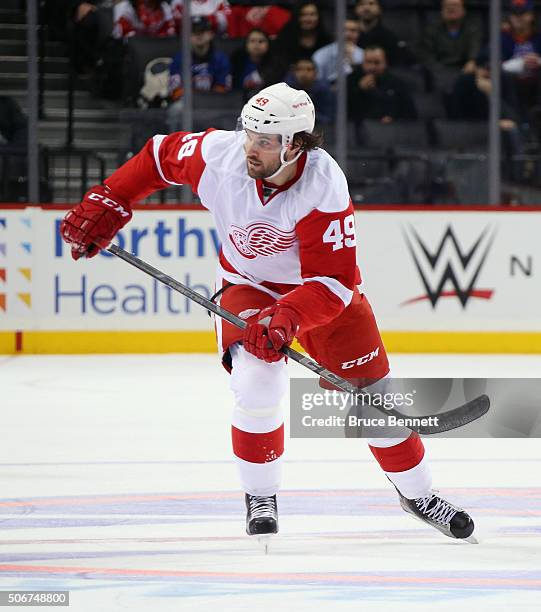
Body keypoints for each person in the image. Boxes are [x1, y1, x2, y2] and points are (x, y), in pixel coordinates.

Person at [59, 82, 474, 542]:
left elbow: (331, 282)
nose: (249, 148)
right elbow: (159, 155)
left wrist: (288, 316)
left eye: (263, 140)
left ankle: (418, 495)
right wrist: (111, 198)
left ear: (295, 144)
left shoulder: (324, 184)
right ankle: (261, 494)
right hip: (248, 285)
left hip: (321, 295)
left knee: (375, 403)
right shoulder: (221, 156)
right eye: (248, 133)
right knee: (258, 383)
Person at [167, 16, 231, 130]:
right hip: (188, 103)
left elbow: (223, 90)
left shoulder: (221, 59)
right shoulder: (179, 59)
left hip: (215, 104)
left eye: (202, 31)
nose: (198, 35)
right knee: (176, 110)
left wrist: (204, 99)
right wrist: (197, 99)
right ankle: (176, 144)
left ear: (210, 34)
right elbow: (175, 91)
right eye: (194, 32)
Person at [417, 0, 481, 92]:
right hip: (441, 68)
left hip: (464, 68)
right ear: (441, 11)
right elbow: (426, 54)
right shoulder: (431, 30)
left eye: (455, 5)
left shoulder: (472, 29)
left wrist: (472, 61)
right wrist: (438, 70)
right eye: (447, 6)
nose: (451, 8)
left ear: (463, 10)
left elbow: (475, 48)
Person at [348, 46, 418, 123]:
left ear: (385, 63)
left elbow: (411, 113)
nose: (372, 67)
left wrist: (393, 117)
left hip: (386, 129)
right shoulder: (351, 80)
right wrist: (359, 89)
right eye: (368, 62)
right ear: (362, 63)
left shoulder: (397, 83)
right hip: (357, 127)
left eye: (377, 62)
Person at [501, 0, 541, 117]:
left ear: (531, 16)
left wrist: (538, 61)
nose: (518, 18)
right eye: (514, 14)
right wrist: (521, 63)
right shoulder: (503, 38)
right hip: (512, 88)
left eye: (523, 14)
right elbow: (495, 65)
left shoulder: (538, 39)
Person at [354, 0, 415, 66]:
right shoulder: (347, 35)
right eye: (362, 4)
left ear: (380, 9)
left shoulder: (389, 37)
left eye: (371, 4)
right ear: (356, 9)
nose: (366, 7)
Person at [273, 2, 332, 66]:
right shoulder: (285, 38)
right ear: (296, 17)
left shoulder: (326, 39)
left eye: (312, 15)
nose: (308, 19)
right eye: (303, 15)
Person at [231, 28, 286, 99]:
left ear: (268, 44)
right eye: (252, 41)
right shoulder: (237, 61)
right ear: (246, 44)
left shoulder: (277, 64)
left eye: (261, 41)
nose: (256, 44)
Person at [312, 17, 364, 86]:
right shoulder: (322, 54)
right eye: (344, 30)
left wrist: (352, 61)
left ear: (358, 34)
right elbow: (317, 81)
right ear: (336, 32)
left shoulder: (363, 55)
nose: (347, 34)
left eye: (353, 30)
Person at [286, 58, 335, 125]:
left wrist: (306, 115)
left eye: (309, 69)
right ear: (294, 72)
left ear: (316, 73)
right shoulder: (288, 88)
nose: (304, 73)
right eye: (299, 69)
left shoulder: (323, 89)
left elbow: (329, 118)